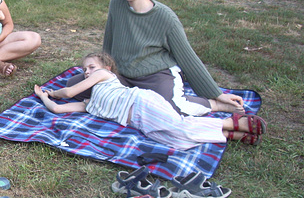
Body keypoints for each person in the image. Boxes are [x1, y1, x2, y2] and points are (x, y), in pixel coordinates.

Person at [67, 0, 245, 116]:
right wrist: (102, 72)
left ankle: (213, 105)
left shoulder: (165, 18)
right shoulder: (117, 3)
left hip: (155, 76)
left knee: (168, 109)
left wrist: (215, 93)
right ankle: (134, 99)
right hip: (123, 75)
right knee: (75, 86)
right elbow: (109, 39)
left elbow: (187, 57)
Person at [36, 52, 266, 150]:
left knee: (178, 127)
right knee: (175, 141)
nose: (87, 72)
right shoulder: (90, 105)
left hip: (141, 103)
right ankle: (229, 135)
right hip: (138, 122)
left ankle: (233, 123)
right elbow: (57, 109)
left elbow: (65, 94)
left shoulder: (104, 77)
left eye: (91, 67)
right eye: (84, 69)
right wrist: (43, 97)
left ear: (105, 68)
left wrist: (53, 91)